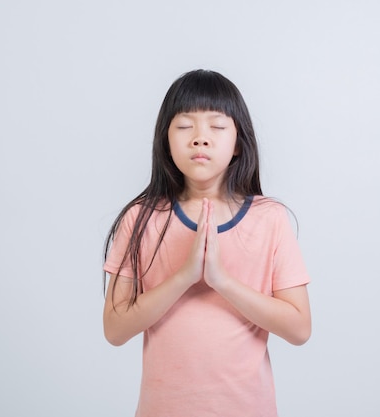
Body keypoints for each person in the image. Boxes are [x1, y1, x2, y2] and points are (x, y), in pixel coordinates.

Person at [102, 69, 311, 416]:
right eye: (185, 127)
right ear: (165, 140)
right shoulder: (140, 218)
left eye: (216, 126)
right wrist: (184, 276)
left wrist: (221, 280)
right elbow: (114, 328)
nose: (200, 138)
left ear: (238, 142)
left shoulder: (270, 218)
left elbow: (299, 328)